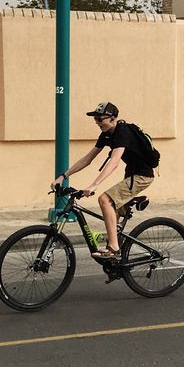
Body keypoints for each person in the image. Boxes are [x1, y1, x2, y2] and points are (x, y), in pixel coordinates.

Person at [52, 101, 155, 262]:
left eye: (100, 119)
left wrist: (94, 185)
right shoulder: (107, 134)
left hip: (142, 176)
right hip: (131, 175)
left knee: (105, 199)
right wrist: (63, 176)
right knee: (112, 209)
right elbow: (88, 159)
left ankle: (113, 249)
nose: (97, 123)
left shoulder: (122, 132)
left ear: (113, 118)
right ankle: (116, 257)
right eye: (96, 119)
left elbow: (114, 161)